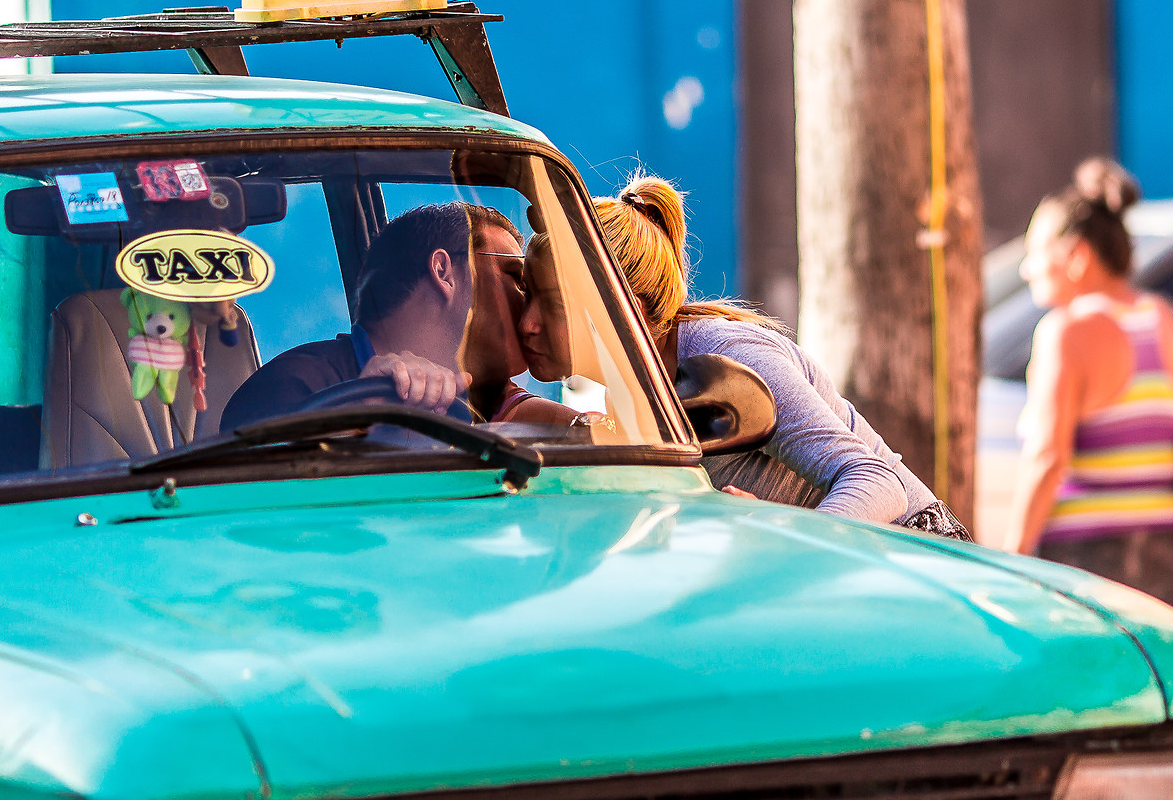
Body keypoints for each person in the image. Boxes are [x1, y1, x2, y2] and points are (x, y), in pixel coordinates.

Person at [591, 174, 965, 535]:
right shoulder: (628, 388)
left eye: (551, 295)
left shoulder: (726, 352)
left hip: (920, 552)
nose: (530, 319)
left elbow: (877, 483)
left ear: (623, 310)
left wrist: (787, 543)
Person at [1003, 159, 1173, 612]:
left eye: (1035, 252)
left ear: (1076, 256)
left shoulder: (1066, 331)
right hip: (1164, 553)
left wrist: (1009, 560)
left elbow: (1048, 458)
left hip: (1085, 562)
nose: (1026, 269)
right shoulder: (1165, 319)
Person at [221, 202, 565, 431]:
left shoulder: (490, 397)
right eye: (517, 278)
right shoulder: (292, 386)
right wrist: (357, 420)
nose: (528, 305)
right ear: (444, 271)